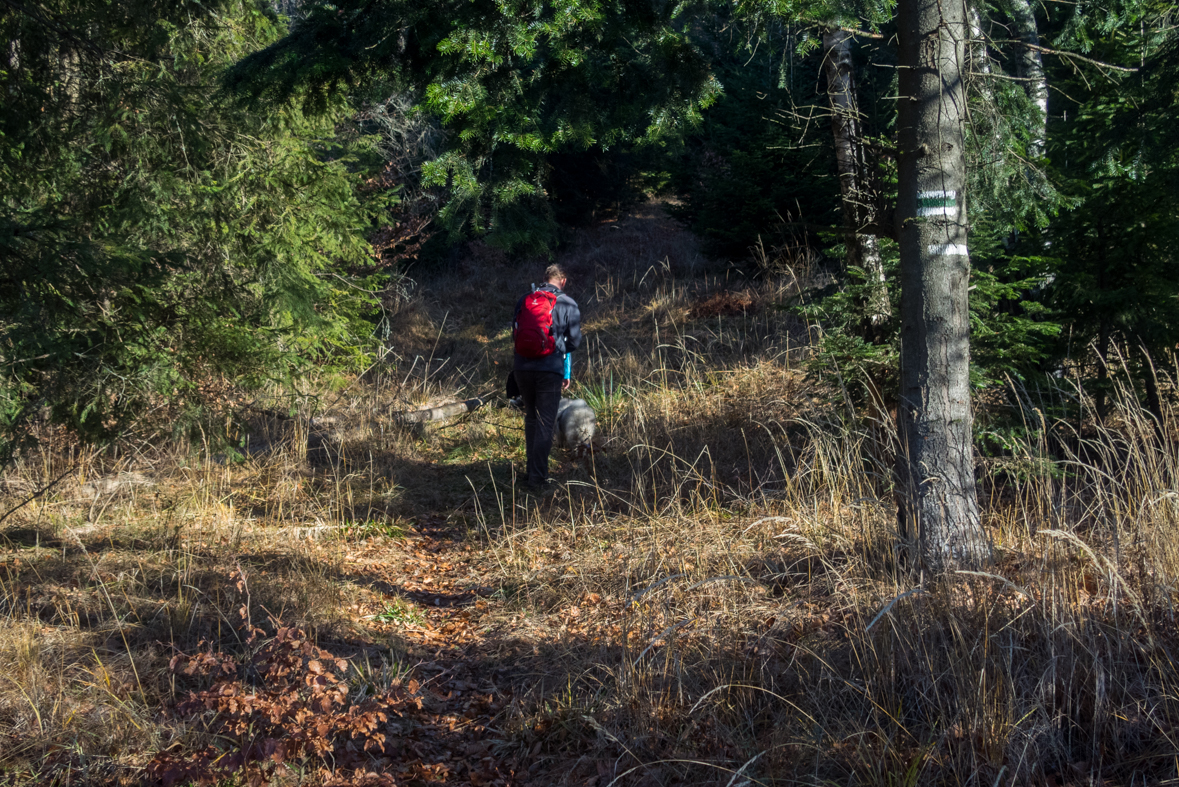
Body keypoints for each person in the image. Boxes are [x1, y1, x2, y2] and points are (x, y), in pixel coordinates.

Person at [512, 263, 582, 492]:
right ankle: (538, 480)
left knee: (532, 418)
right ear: (563, 281)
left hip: (522, 368)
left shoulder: (525, 299)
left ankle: (531, 472)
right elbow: (574, 341)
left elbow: (515, 333)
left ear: (544, 278)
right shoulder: (568, 303)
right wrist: (560, 352)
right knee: (545, 422)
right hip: (549, 369)